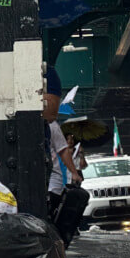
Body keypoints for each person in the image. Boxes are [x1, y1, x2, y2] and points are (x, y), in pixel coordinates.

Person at [44, 68, 82, 216]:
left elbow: (63, 150)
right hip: (51, 182)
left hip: (52, 182)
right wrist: (74, 173)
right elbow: (63, 150)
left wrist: (74, 172)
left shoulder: (52, 126)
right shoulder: (52, 126)